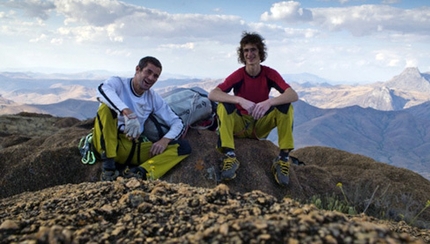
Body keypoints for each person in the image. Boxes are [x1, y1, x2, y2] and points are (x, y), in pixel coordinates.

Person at [208, 32, 298, 187]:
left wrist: (269, 102)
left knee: (285, 107)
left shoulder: (269, 74)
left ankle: (283, 158)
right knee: (223, 106)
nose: (250, 54)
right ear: (242, 55)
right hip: (240, 126)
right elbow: (213, 94)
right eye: (246, 51)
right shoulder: (239, 75)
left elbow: (292, 94)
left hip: (259, 125)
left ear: (260, 52)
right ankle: (229, 155)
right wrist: (239, 100)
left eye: (253, 50)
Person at [92, 56, 191, 181]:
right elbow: (102, 90)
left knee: (183, 148)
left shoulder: (152, 97)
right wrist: (126, 111)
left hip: (131, 146)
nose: (151, 78)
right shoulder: (118, 83)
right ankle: (108, 169)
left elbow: (177, 122)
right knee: (106, 109)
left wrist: (164, 141)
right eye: (148, 72)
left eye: (155, 76)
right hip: (107, 143)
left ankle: (139, 173)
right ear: (138, 69)